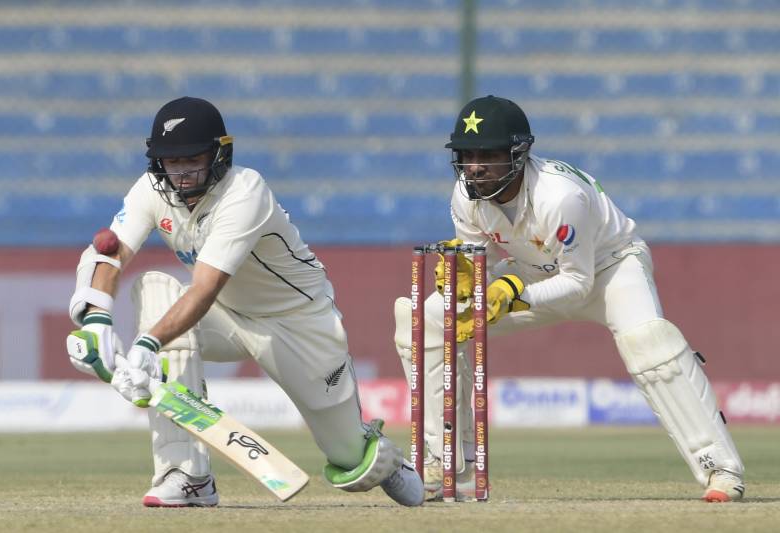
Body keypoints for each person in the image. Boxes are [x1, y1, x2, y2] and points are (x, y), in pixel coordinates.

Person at [65, 96, 423, 507]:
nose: (181, 173)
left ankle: (385, 458)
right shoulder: (150, 189)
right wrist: (95, 322)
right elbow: (109, 253)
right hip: (226, 317)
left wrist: (147, 345)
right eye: (171, 161)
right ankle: (187, 476)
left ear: (220, 153)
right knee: (152, 285)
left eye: (192, 159)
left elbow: (203, 289)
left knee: (348, 460)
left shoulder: (244, 191)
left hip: (298, 323)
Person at [392, 95, 745, 502]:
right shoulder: (466, 194)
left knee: (650, 344)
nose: (474, 166)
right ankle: (448, 463)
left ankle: (720, 469)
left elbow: (578, 283)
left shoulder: (560, 196)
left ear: (518, 154)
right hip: (531, 270)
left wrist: (508, 291)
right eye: (466, 154)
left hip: (611, 268)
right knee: (428, 319)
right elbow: (483, 260)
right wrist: (467, 276)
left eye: (486, 155)